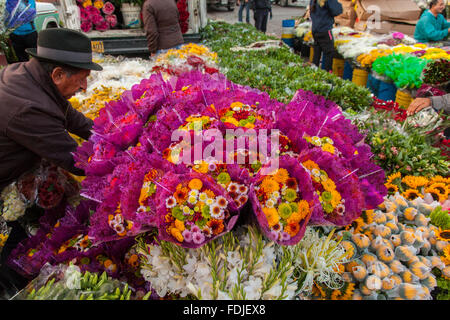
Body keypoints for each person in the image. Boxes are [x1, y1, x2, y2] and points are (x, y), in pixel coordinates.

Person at [0, 28, 102, 296]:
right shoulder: (29, 107)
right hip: (5, 181)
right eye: (82, 80)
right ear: (57, 74)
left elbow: (74, 119)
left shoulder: (31, 76)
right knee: (15, 260)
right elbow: (77, 160)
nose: (85, 88)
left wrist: (114, 135)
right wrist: (124, 164)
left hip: (17, 170)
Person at [309, 0, 342, 72]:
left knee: (317, 53)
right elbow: (337, 11)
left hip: (315, 29)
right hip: (324, 30)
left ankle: (313, 73)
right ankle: (327, 74)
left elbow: (311, 13)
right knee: (329, 53)